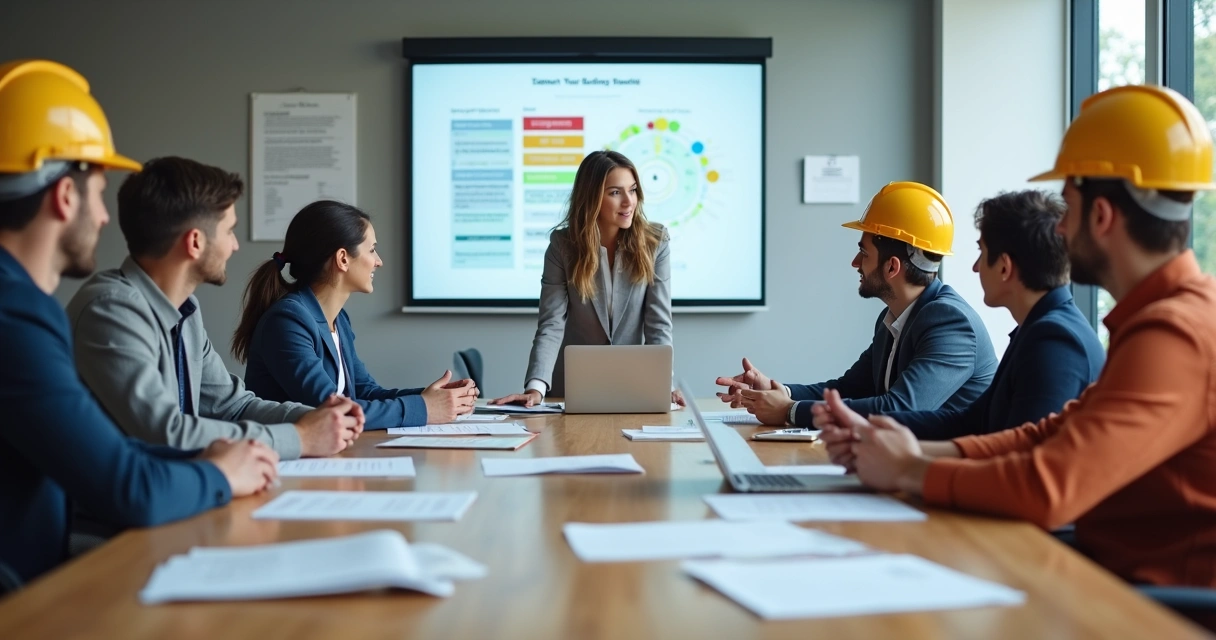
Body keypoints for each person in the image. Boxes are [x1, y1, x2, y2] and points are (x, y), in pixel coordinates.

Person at [819, 85, 1216, 590]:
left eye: (1068, 210)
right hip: (1105, 580)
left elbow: (1048, 485)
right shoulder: (1169, 319)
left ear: (1102, 216)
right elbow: (1048, 434)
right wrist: (904, 451)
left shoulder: (1174, 334)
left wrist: (909, 472)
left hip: (1140, 605)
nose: (1061, 231)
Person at [0, 59, 277, 584]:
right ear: (64, 196)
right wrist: (219, 472)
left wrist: (207, 458)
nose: (105, 217)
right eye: (100, 194)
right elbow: (128, 488)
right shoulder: (17, 317)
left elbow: (109, 447)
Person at [65, 156, 363, 460]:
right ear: (195, 242)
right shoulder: (112, 311)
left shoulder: (185, 312)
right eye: (229, 231)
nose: (234, 245)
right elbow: (164, 432)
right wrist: (300, 438)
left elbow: (233, 406)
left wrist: (318, 417)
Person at [716, 182, 997, 426]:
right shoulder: (894, 318)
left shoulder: (949, 322)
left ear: (892, 267)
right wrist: (779, 392)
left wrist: (789, 411)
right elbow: (851, 388)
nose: (855, 263)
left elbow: (901, 409)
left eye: (864, 253)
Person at [862, 190, 1105, 439]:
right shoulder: (1038, 329)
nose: (975, 267)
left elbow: (1021, 461)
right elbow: (972, 421)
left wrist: (909, 461)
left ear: (1004, 267)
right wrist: (874, 428)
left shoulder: (1055, 341)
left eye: (982, 252)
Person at [233, 200, 478, 428]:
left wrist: (435, 397)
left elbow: (365, 393)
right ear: (342, 259)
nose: (378, 261)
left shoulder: (338, 320)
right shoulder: (287, 322)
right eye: (372, 250)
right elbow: (332, 409)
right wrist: (425, 408)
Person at [491, 150, 682, 407]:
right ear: (592, 198)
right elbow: (551, 324)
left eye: (633, 190)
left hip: (634, 388)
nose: (629, 201)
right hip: (571, 391)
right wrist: (535, 388)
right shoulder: (563, 246)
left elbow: (658, 324)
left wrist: (664, 386)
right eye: (615, 192)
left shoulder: (655, 242)